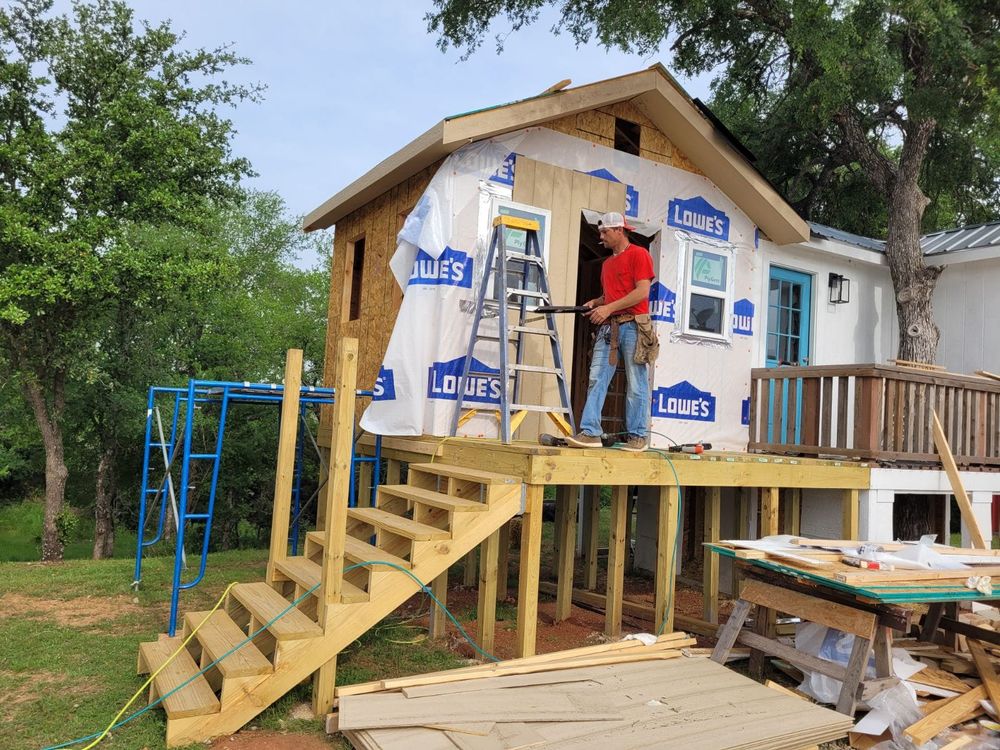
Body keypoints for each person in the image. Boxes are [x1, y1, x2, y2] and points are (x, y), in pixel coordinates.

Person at [566, 212, 655, 452]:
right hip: (611, 327)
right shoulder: (607, 264)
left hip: (634, 325)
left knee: (637, 383)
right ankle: (591, 432)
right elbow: (613, 296)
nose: (601, 237)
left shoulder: (639, 254)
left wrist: (607, 308)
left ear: (619, 231)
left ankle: (638, 437)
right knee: (596, 378)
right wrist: (597, 302)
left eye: (605, 232)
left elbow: (641, 293)